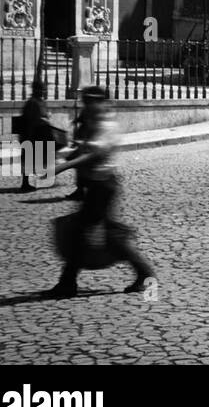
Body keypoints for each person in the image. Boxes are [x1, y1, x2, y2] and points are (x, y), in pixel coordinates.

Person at [46, 87, 154, 298]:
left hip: (104, 187)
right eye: (85, 101)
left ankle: (68, 283)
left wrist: (62, 167)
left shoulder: (107, 125)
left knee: (90, 235)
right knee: (99, 235)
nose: (87, 105)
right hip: (97, 186)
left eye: (90, 101)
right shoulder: (94, 123)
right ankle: (143, 274)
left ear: (101, 102)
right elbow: (83, 150)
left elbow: (93, 156)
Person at [17, 79, 56, 192]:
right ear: (35, 90)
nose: (43, 91)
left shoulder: (40, 101)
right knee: (29, 159)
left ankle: (41, 180)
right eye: (41, 89)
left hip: (39, 134)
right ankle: (25, 183)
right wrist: (44, 119)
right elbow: (32, 120)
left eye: (44, 89)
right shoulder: (33, 102)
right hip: (32, 134)